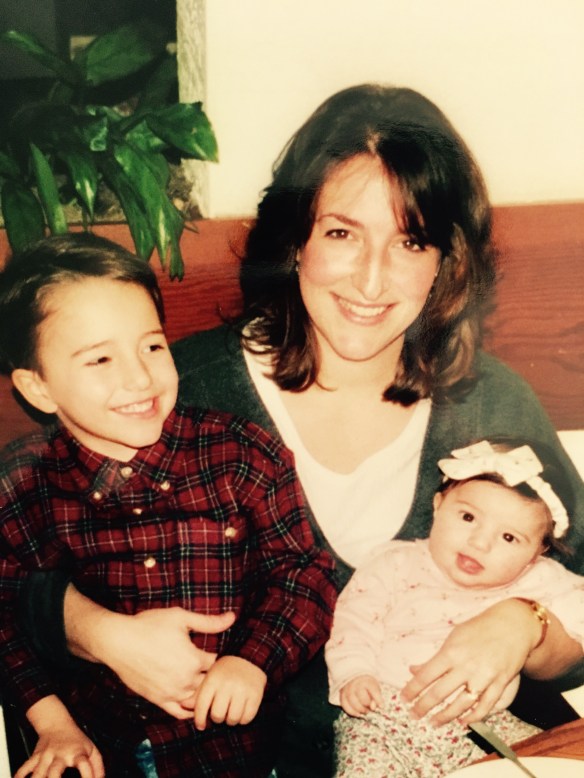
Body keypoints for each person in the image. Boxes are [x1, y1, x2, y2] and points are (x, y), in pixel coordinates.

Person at [14, 84, 584, 777]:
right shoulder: (173, 392)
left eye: (410, 241)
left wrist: (524, 624)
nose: (371, 280)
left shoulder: (488, 403)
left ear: (445, 260)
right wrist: (99, 634)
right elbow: (27, 557)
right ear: (296, 240)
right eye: (342, 233)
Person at [0, 233, 337, 778]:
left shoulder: (241, 453)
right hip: (104, 749)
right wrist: (52, 722)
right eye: (100, 359)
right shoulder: (20, 483)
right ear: (38, 389)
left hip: (241, 753)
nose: (139, 377)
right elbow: (6, 612)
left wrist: (253, 662)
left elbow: (304, 575)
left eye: (152, 346)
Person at [325, 439, 584, 776]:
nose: (479, 542)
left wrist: (535, 621)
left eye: (509, 537)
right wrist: (354, 673)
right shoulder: (395, 563)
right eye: (468, 517)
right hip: (383, 719)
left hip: (483, 725)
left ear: (537, 552)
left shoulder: (537, 578)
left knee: (555, 762)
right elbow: (355, 622)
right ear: (438, 505)